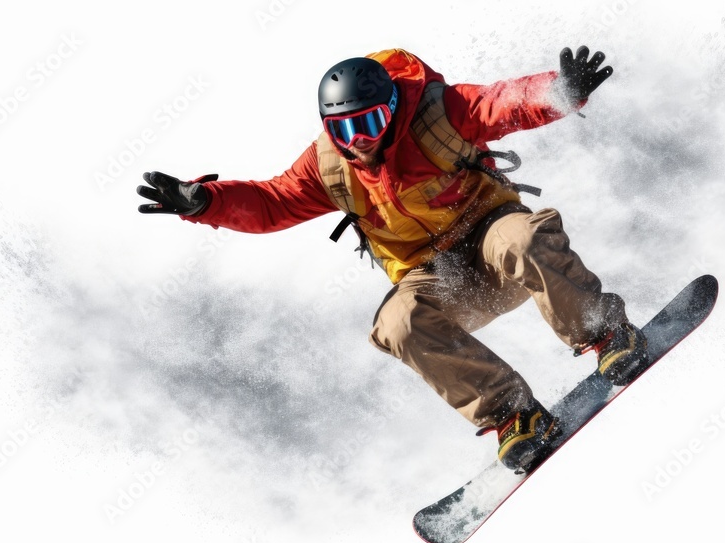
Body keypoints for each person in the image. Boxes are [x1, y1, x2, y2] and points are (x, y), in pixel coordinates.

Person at [136, 47, 651, 472]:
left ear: (393, 108)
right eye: (345, 131)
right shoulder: (330, 167)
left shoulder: (437, 113)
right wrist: (206, 202)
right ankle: (515, 416)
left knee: (522, 237)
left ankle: (606, 333)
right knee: (397, 321)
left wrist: (557, 91)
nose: (361, 142)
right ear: (329, 130)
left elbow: (500, 104)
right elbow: (273, 202)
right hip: (439, 279)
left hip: (491, 240)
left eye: (373, 122)